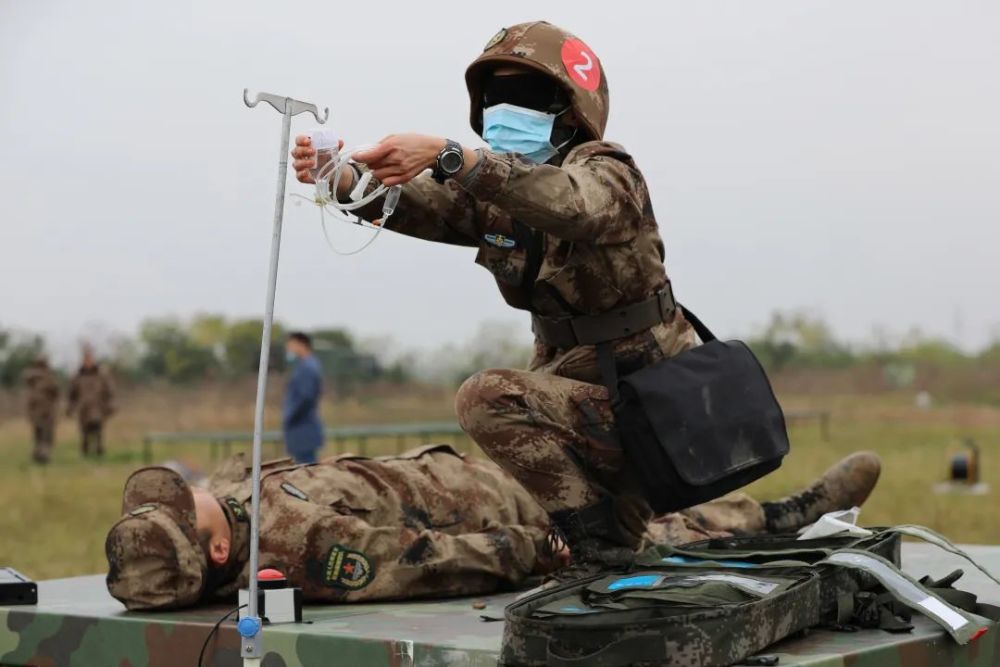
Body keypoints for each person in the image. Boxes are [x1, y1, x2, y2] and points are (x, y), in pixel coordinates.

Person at [289, 21, 735, 568]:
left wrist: (454, 156)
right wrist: (339, 177)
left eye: (522, 95)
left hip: (651, 400)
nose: (503, 109)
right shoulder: (491, 195)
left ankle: (603, 554)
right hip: (577, 393)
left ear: (570, 110)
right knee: (598, 542)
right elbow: (417, 202)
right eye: (493, 96)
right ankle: (606, 556)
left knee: (487, 398)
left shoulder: (609, 171)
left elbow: (573, 204)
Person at [104, 448, 880, 611]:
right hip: (502, 517)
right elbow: (419, 562)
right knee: (656, 526)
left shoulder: (233, 501)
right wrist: (537, 552)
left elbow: (252, 470)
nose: (191, 492)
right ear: (213, 551)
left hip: (474, 473)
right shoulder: (298, 550)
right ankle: (785, 515)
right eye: (185, 508)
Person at [283, 332, 324, 464]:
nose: (288, 349)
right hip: (302, 429)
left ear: (301, 344)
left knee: (305, 473)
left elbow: (306, 397)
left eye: (290, 345)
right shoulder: (306, 366)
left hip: (303, 429)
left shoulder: (307, 367)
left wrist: (290, 416)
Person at [66, 346, 115, 457]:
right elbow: (72, 394)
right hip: (84, 409)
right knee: (84, 431)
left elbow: (109, 391)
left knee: (98, 429)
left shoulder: (101, 375)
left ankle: (99, 450)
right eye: (86, 359)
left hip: (98, 407)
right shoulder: (78, 376)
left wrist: (110, 404)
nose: (88, 362)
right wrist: (70, 408)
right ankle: (85, 451)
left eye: (90, 359)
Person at [21, 355, 60, 464]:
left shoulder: (50, 377)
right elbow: (26, 377)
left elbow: (56, 392)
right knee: (39, 433)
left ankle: (44, 454)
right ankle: (39, 453)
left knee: (46, 433)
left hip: (47, 410)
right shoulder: (33, 377)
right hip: (37, 410)